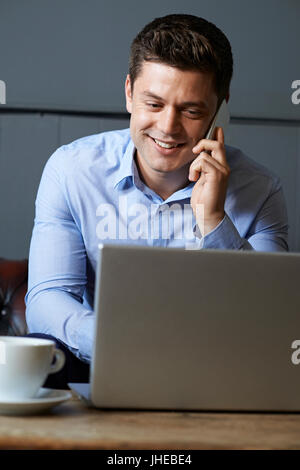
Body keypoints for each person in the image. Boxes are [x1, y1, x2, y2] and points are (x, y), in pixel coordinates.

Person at [25, 14, 288, 389]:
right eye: (154, 103)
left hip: (216, 373)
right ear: (129, 93)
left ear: (221, 108)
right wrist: (121, 344)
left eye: (191, 110)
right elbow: (48, 299)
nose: (167, 127)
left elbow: (272, 321)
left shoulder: (260, 190)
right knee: (42, 351)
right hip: (97, 362)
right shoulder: (71, 170)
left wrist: (214, 220)